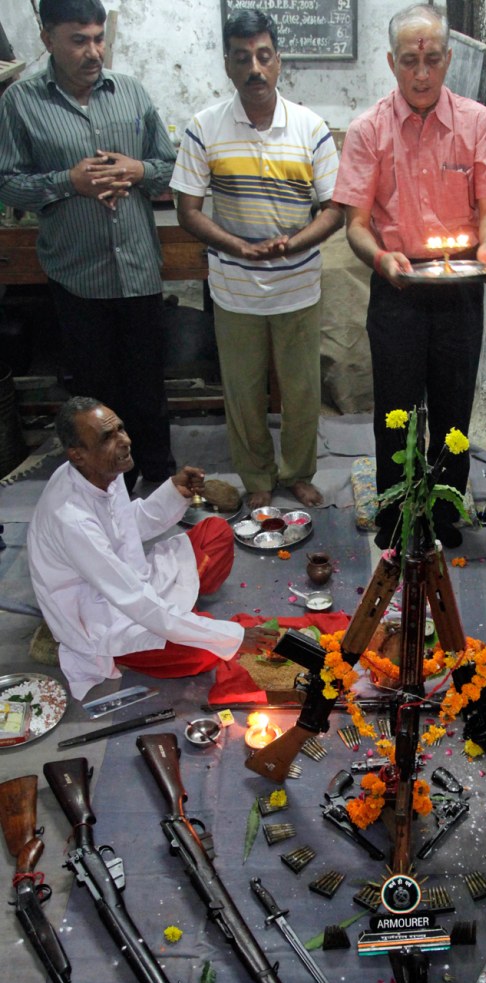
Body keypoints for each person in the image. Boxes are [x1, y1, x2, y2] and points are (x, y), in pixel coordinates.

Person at [332, 3, 486, 549]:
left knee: (454, 410)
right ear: (392, 62)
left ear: (448, 59)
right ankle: (396, 514)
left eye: (432, 59)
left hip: (459, 287)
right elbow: (356, 224)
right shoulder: (368, 130)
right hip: (398, 288)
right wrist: (379, 258)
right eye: (410, 61)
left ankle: (443, 511)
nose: (421, 73)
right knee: (396, 411)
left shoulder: (478, 122)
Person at [0, 0, 176, 493]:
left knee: (148, 392)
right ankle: (107, 494)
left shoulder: (131, 93)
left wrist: (138, 170)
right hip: (78, 276)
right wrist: (68, 181)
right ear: (47, 38)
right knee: (96, 398)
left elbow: (169, 164)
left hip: (138, 270)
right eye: (79, 40)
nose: (93, 51)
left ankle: (162, 485)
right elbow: (8, 183)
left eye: (98, 38)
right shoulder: (21, 103)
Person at [171, 8, 343, 511]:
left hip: (298, 288)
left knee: (302, 392)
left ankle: (298, 472)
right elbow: (187, 210)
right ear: (228, 64)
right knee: (243, 395)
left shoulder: (311, 128)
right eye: (243, 58)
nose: (255, 69)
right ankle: (258, 477)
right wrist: (237, 246)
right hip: (235, 290)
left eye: (264, 56)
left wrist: (296, 241)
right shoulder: (204, 128)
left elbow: (336, 209)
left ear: (279, 61)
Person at [27, 396, 272, 700]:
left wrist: (172, 492)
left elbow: (126, 527)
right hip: (103, 612)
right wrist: (231, 636)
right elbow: (131, 598)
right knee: (205, 653)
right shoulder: (71, 519)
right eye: (108, 437)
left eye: (120, 429)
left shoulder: (102, 470)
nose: (124, 441)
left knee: (217, 532)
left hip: (130, 579)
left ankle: (178, 620)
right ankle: (127, 648)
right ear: (77, 454)